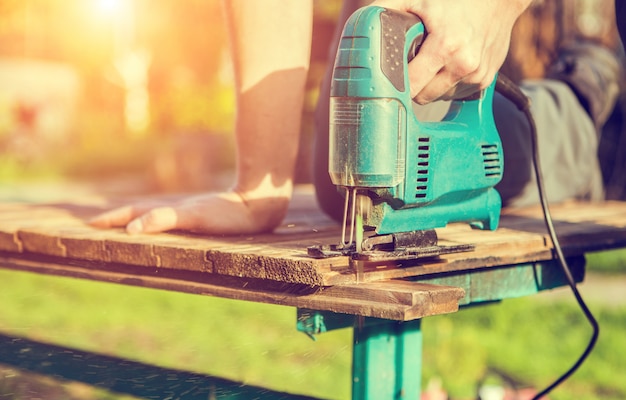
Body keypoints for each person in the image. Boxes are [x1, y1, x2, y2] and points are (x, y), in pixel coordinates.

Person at [89, 0, 622, 235]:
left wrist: (493, 6)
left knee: (541, 139)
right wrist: (259, 186)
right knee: (348, 176)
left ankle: (589, 125)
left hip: (576, 51)